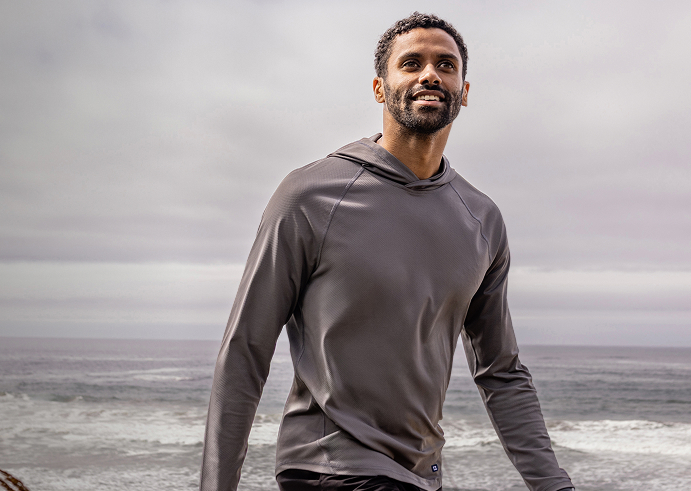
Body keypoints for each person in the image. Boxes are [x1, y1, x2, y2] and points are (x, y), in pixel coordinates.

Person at [200, 12, 575, 491]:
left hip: (420, 477)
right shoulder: (310, 197)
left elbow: (501, 373)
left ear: (464, 90)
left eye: (446, 64)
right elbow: (244, 350)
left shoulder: (482, 220)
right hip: (328, 469)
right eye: (411, 63)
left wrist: (554, 484)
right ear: (380, 87)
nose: (430, 74)